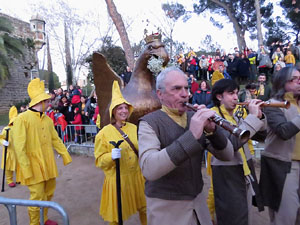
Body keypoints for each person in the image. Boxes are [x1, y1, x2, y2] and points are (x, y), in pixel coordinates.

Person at [138, 67, 234, 225]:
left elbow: (227, 155)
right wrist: (192, 135)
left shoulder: (194, 117)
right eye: (176, 89)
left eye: (186, 88)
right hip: (166, 208)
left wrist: (213, 131)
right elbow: (149, 169)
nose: (185, 94)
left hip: (198, 202)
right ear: (160, 94)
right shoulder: (149, 123)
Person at [12, 78, 72, 225]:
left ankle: (43, 218)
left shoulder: (47, 120)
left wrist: (64, 154)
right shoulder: (22, 119)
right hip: (32, 165)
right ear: (41, 102)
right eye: (47, 100)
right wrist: (26, 168)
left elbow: (55, 139)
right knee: (37, 195)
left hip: (47, 162)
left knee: (49, 192)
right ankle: (34, 223)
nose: (49, 103)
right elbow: (19, 147)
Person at [208, 79, 266, 225]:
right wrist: (252, 117)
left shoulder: (236, 116)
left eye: (236, 93)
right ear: (219, 96)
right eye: (231, 93)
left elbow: (262, 137)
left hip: (244, 172)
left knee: (244, 216)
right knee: (233, 217)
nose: (236, 98)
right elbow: (231, 144)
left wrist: (259, 116)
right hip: (227, 174)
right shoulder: (212, 116)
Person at [94, 81, 147, 225]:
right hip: (117, 178)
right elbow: (99, 160)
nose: (123, 111)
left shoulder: (134, 128)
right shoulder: (104, 134)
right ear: (113, 111)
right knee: (117, 216)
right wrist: (110, 157)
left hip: (137, 176)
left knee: (145, 209)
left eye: (125, 107)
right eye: (119, 108)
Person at [259, 66, 300, 225]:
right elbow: (284, 132)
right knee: (286, 215)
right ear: (282, 82)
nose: (299, 82)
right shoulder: (273, 104)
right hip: (283, 166)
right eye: (294, 79)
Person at [0, 106, 18, 188]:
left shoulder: (20, 128)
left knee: (19, 166)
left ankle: (19, 178)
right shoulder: (6, 129)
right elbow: (0, 137)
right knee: (8, 167)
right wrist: (3, 141)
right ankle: (9, 180)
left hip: (18, 151)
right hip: (9, 151)